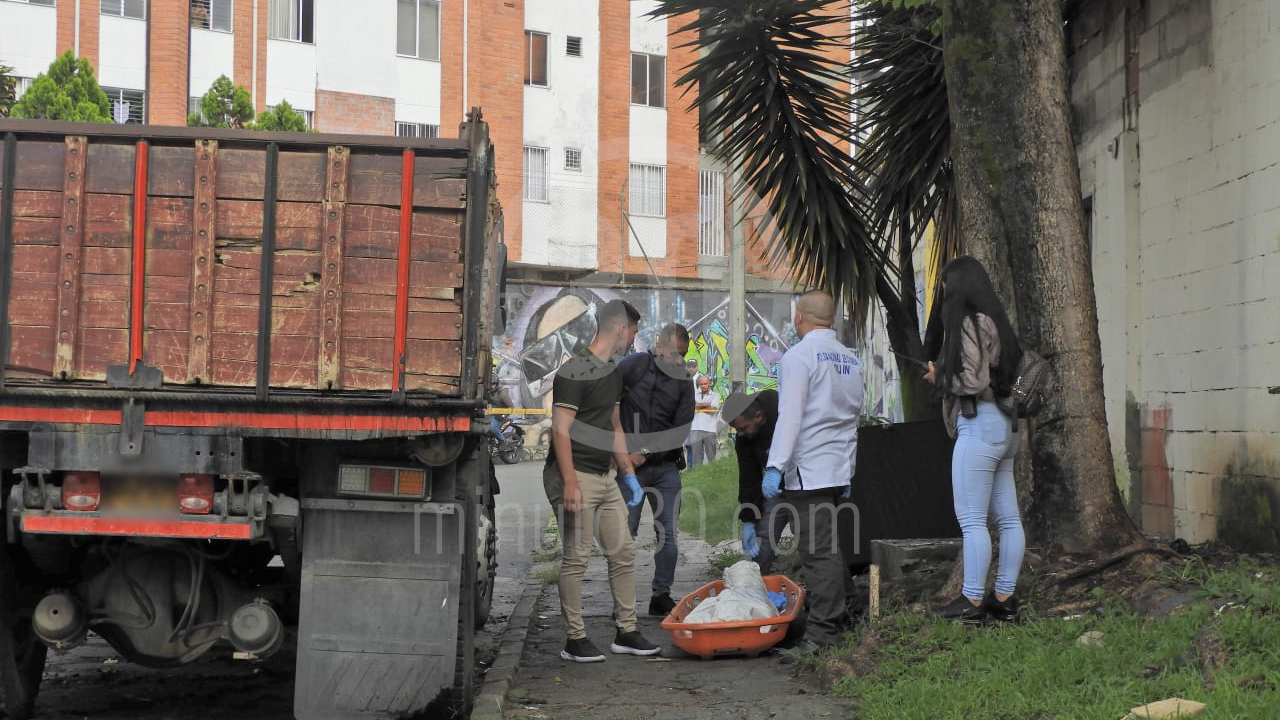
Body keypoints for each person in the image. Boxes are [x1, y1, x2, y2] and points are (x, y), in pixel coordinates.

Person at [544, 299, 662, 662]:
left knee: (623, 552)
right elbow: (560, 432)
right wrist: (570, 484)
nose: (634, 340)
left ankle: (626, 631)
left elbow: (613, 426)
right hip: (574, 473)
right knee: (576, 558)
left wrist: (628, 473)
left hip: (605, 476)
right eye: (634, 332)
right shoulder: (575, 370)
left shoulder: (612, 372)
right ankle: (574, 639)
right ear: (620, 328)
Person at [923, 256, 1026, 625]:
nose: (943, 293)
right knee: (1010, 520)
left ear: (959, 287)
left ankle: (971, 600)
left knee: (972, 521)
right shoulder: (996, 320)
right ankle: (1005, 597)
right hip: (1005, 426)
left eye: (946, 286)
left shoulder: (969, 323)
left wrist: (939, 377)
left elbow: (973, 381)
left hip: (978, 425)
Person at [763, 290, 863, 650]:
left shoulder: (799, 357)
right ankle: (848, 613)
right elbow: (852, 421)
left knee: (819, 554)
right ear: (832, 319)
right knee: (830, 549)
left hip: (808, 473)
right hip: (836, 471)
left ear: (799, 318)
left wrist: (775, 466)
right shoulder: (852, 360)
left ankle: (823, 634)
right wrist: (848, 471)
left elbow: (790, 417)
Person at [618, 324, 695, 617]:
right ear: (658, 344)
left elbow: (680, 429)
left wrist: (645, 453)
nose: (678, 361)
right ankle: (621, 601)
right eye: (674, 353)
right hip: (629, 470)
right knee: (625, 536)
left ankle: (661, 595)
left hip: (665, 468)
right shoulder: (632, 366)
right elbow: (608, 407)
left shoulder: (684, 380)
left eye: (683, 355)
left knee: (668, 536)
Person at [721, 389, 793, 575]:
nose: (741, 434)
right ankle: (755, 590)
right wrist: (748, 520)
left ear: (759, 416)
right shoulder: (744, 439)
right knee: (763, 541)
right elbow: (748, 479)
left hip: (804, 486)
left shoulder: (784, 410)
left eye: (743, 428)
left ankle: (842, 596)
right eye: (737, 430)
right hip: (776, 491)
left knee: (813, 542)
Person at [689, 375, 721, 466]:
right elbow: (690, 407)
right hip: (695, 428)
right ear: (699, 384)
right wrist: (706, 404)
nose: (703, 386)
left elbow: (712, 410)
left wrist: (698, 405)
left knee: (711, 457)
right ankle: (697, 477)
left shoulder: (715, 395)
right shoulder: (694, 394)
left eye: (705, 384)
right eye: (701, 384)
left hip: (710, 429)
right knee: (696, 458)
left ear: (709, 384)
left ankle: (713, 476)